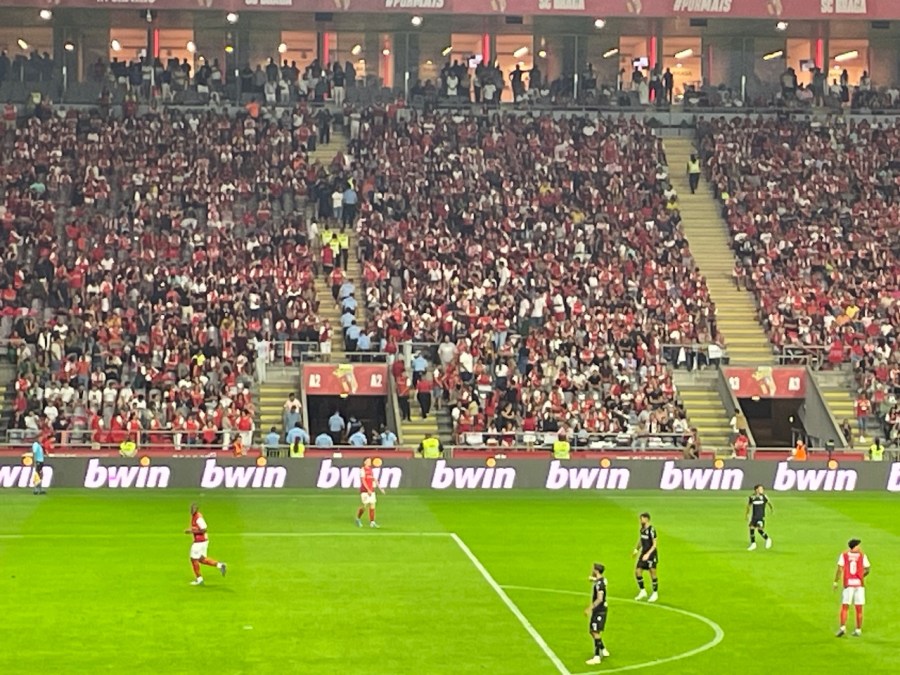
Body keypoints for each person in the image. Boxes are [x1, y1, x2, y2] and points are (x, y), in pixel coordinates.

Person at [834, 538, 870, 637]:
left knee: (845, 606)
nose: (860, 547)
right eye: (858, 546)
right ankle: (858, 630)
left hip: (848, 584)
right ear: (854, 547)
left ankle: (842, 628)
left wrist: (836, 581)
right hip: (859, 585)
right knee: (859, 608)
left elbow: (839, 569)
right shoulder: (862, 556)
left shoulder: (844, 555)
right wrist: (860, 576)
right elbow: (867, 569)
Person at [185, 503, 227, 586]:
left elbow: (204, 529)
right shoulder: (194, 516)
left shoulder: (198, 518)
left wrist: (192, 531)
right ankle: (220, 565)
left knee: (193, 559)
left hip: (200, 542)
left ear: (196, 509)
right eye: (191, 509)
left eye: (194, 509)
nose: (192, 510)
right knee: (202, 559)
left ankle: (199, 580)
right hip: (203, 541)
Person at [584, 563, 610, 666]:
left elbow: (600, 598)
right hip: (598, 610)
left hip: (600, 610)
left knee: (595, 632)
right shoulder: (601, 580)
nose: (592, 571)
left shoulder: (600, 584)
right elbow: (602, 581)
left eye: (593, 569)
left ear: (596, 571)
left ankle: (597, 657)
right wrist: (593, 579)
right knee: (592, 631)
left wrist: (589, 608)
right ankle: (603, 649)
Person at [632, 512, 658, 602]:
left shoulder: (652, 530)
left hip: (651, 555)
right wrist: (636, 549)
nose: (640, 520)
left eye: (642, 519)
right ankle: (643, 591)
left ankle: (655, 593)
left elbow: (654, 545)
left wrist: (648, 554)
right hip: (643, 553)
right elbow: (641, 540)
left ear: (646, 519)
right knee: (638, 571)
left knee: (652, 573)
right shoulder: (642, 529)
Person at [355, 457, 385, 528]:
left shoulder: (371, 470)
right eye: (368, 461)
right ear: (364, 462)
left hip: (371, 490)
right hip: (365, 491)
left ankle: (372, 522)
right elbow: (363, 480)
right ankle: (358, 519)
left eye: (370, 461)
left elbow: (374, 479)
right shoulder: (362, 470)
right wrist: (368, 489)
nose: (369, 462)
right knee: (364, 506)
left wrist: (380, 488)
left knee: (372, 505)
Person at [745, 484, 773, 551]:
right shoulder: (752, 497)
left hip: (761, 516)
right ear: (756, 490)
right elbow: (749, 506)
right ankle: (753, 544)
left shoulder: (764, 497)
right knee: (751, 528)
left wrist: (771, 509)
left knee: (759, 529)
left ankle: (768, 539)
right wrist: (747, 514)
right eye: (761, 489)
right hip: (754, 517)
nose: (762, 490)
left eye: (762, 489)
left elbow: (769, 503)